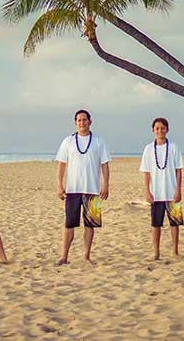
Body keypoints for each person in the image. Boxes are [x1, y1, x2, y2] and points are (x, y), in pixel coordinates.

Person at [55, 109, 110, 264]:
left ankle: (86, 256)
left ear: (90, 121)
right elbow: (61, 165)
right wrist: (59, 184)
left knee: (89, 225)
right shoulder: (68, 141)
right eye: (79, 120)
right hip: (72, 190)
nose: (82, 123)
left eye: (84, 120)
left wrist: (106, 185)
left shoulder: (99, 142)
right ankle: (64, 256)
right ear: (75, 123)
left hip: (92, 189)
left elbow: (105, 165)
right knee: (69, 224)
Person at [140, 117, 184, 260]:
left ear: (167, 130)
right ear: (153, 130)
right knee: (156, 224)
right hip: (156, 193)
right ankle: (156, 252)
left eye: (163, 128)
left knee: (174, 224)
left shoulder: (173, 147)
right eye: (157, 128)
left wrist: (178, 190)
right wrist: (147, 191)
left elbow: (178, 170)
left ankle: (175, 251)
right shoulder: (148, 149)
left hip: (171, 192)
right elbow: (146, 173)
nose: (160, 131)